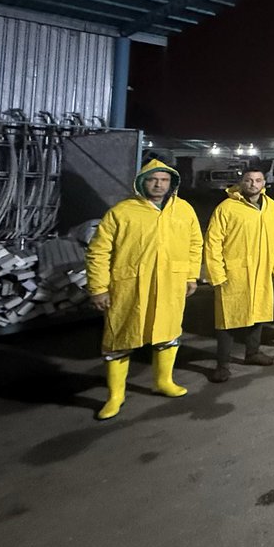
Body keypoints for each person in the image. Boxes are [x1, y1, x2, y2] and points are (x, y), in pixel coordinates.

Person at [85, 159, 202, 420]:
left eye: (164, 180)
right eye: (153, 179)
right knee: (120, 338)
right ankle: (116, 396)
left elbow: (195, 244)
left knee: (168, 332)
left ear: (172, 183)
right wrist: (98, 288)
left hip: (171, 284)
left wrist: (191, 275)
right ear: (142, 182)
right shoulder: (122, 212)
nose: (159, 184)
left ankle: (163, 381)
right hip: (130, 287)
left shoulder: (183, 210)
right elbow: (98, 251)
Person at [203, 166, 274, 383]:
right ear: (241, 183)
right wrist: (216, 273)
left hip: (262, 270)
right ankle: (222, 364)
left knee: (257, 312)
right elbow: (213, 242)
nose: (253, 184)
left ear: (264, 184)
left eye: (258, 180)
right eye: (249, 180)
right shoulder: (227, 208)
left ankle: (252, 353)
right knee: (228, 319)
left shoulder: (272, 208)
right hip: (234, 271)